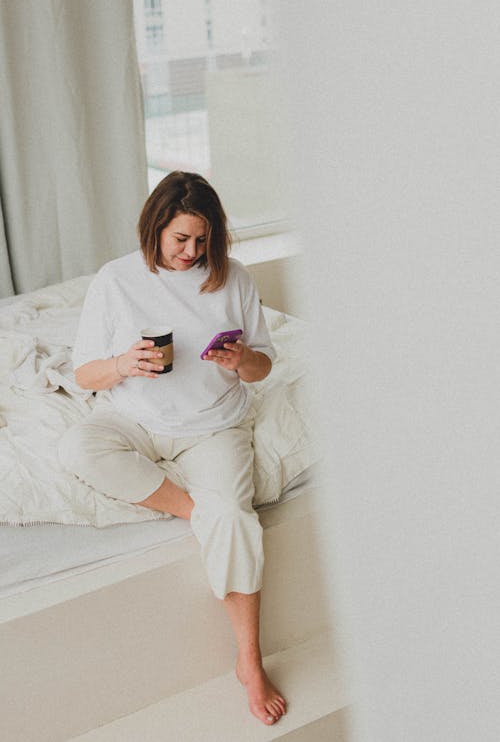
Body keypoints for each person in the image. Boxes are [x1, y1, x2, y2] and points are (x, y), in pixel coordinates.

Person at [58, 170, 287, 726]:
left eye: (203, 240)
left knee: (235, 516)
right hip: (134, 416)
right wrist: (121, 365)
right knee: (78, 449)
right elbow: (84, 372)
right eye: (181, 239)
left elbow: (264, 365)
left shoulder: (231, 279)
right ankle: (194, 511)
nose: (192, 252)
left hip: (213, 424)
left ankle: (249, 662)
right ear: (156, 228)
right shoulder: (116, 281)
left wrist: (241, 362)